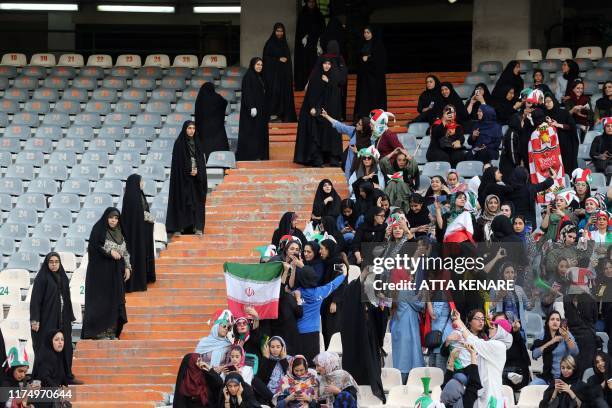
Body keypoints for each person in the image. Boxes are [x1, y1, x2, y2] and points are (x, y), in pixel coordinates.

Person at [81, 207, 130, 340]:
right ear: (106, 218)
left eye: (116, 218)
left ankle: (111, 331)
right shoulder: (99, 230)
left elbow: (125, 252)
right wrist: (109, 253)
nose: (114, 221)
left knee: (115, 301)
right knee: (102, 302)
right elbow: (94, 248)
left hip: (116, 274)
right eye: (111, 218)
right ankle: (99, 332)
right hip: (100, 275)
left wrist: (127, 267)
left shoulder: (121, 232)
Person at [448, 313, 514, 408]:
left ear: (501, 331)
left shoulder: (498, 346)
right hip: (484, 391)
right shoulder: (493, 344)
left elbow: (475, 341)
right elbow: (475, 345)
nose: (490, 328)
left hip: (491, 393)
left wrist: (459, 323)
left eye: (494, 326)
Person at [30, 252, 77, 384]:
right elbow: (35, 300)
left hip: (63, 319)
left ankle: (66, 376)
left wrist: (69, 317)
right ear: (47, 263)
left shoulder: (63, 277)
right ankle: (43, 377)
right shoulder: (42, 278)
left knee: (65, 346)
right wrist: (35, 319)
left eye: (57, 261)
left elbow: (67, 299)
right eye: (51, 262)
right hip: (47, 319)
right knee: (47, 347)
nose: (54, 264)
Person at [295, 259, 347, 365]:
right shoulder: (320, 292)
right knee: (312, 365)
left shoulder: (296, 293)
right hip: (314, 333)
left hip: (298, 333)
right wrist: (344, 274)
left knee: (299, 365)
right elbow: (333, 285)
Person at [294, 58, 343, 167]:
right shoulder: (315, 76)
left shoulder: (333, 77)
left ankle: (332, 158)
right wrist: (312, 107)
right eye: (325, 63)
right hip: (317, 110)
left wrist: (329, 82)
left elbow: (336, 94)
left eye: (329, 64)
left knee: (330, 133)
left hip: (331, 111)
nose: (327, 66)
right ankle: (317, 159)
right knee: (316, 134)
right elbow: (311, 94)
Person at [166, 120, 207, 236]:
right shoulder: (179, 143)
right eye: (189, 128)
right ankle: (180, 227)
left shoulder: (198, 143)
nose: (191, 131)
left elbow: (201, 161)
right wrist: (188, 169)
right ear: (185, 129)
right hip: (182, 179)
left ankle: (196, 227)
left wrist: (198, 171)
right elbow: (177, 164)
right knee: (182, 201)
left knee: (196, 201)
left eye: (193, 128)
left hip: (196, 179)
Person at [122, 173, 155, 292]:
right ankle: (136, 282)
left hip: (143, 231)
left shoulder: (139, 195)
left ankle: (144, 278)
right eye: (141, 181)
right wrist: (149, 217)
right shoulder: (131, 197)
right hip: (135, 233)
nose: (142, 183)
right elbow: (137, 215)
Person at [531, 311, 580, 385]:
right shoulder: (542, 335)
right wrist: (551, 342)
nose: (555, 321)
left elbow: (575, 352)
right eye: (552, 319)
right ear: (548, 322)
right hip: (547, 376)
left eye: (557, 320)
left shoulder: (565, 333)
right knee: (531, 387)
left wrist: (566, 338)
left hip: (563, 376)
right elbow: (535, 355)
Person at [320, 110, 372, 180]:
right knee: (350, 184)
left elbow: (372, 155)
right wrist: (326, 116)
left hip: (362, 168)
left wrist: (358, 152)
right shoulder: (354, 131)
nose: (356, 124)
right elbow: (340, 126)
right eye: (358, 122)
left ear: (364, 127)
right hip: (349, 164)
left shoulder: (371, 139)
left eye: (359, 124)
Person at [236, 58, 269, 161]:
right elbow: (247, 93)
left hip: (260, 110)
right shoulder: (248, 76)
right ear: (253, 65)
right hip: (251, 111)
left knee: (259, 132)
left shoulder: (259, 77)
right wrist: (252, 107)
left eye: (261, 65)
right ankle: (251, 155)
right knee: (251, 133)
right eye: (258, 64)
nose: (259, 66)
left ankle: (259, 154)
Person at [263, 23, 296, 123]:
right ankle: (273, 115)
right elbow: (266, 59)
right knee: (274, 94)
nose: (279, 33)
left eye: (281, 31)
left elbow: (288, 61)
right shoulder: (269, 44)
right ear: (274, 31)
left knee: (284, 95)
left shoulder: (284, 44)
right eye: (277, 31)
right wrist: (278, 59)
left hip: (283, 76)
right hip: (273, 77)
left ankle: (283, 115)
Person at [354, 26, 387, 118]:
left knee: (374, 98)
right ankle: (363, 117)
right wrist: (363, 59)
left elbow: (380, 61)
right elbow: (357, 59)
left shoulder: (378, 45)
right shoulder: (362, 44)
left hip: (375, 79)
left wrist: (368, 58)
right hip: (364, 78)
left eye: (368, 32)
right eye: (365, 32)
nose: (366, 35)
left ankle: (376, 116)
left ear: (372, 33)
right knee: (364, 98)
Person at [32, 329, 70, 406]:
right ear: (50, 341)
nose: (60, 342)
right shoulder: (47, 357)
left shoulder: (58, 356)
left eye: (62, 339)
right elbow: (44, 377)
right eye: (56, 339)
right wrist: (58, 390)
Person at [543, 93, 579, 174]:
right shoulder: (544, 114)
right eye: (545, 102)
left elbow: (571, 126)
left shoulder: (563, 113)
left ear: (554, 101)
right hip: (550, 147)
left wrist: (557, 125)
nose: (547, 104)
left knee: (566, 170)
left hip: (565, 147)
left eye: (549, 101)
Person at [294, 0, 325, 91]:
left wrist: (320, 43)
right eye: (309, 2)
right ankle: (304, 85)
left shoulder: (319, 15)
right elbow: (300, 31)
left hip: (316, 46)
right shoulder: (302, 14)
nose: (311, 4)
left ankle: (315, 85)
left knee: (315, 65)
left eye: (313, 2)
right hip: (305, 46)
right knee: (304, 65)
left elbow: (322, 30)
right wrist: (304, 37)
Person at [194, 82, 229, 158]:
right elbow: (225, 102)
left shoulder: (200, 99)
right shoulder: (216, 97)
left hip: (203, 130)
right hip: (217, 130)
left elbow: (197, 115)